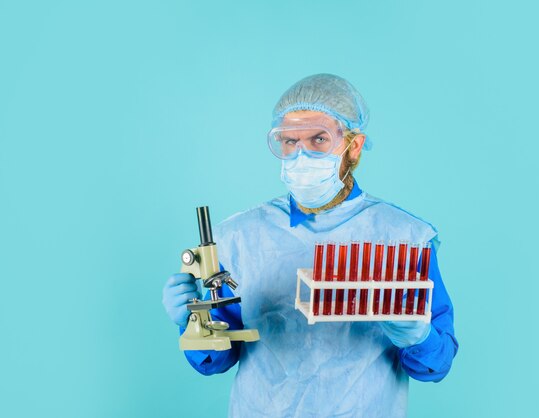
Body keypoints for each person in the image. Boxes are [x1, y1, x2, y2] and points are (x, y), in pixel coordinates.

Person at [162, 74, 458, 418]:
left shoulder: (404, 237)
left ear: (354, 146)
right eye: (289, 142)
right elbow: (217, 359)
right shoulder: (242, 235)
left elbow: (436, 366)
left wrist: (418, 338)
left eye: (318, 139)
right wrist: (190, 322)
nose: (301, 155)